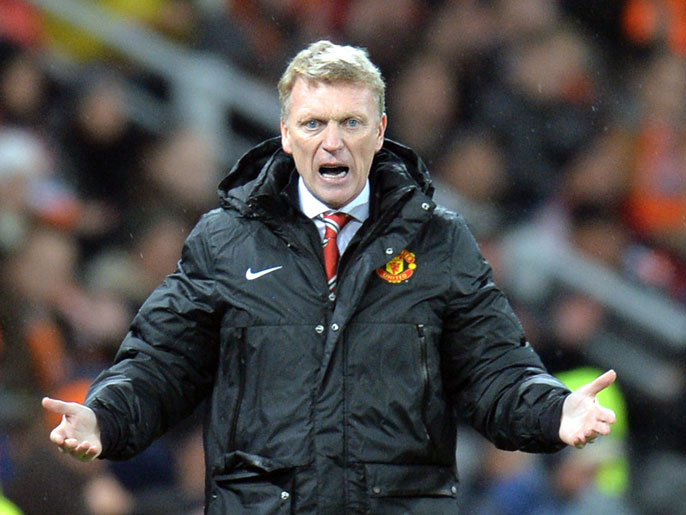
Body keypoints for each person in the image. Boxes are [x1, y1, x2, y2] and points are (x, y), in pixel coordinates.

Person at [42, 40, 617, 513]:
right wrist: (105, 416)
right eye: (314, 122)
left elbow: (495, 368)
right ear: (287, 133)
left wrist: (552, 409)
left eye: (351, 122)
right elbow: (160, 362)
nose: (333, 141)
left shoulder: (440, 242)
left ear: (381, 130)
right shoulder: (224, 240)